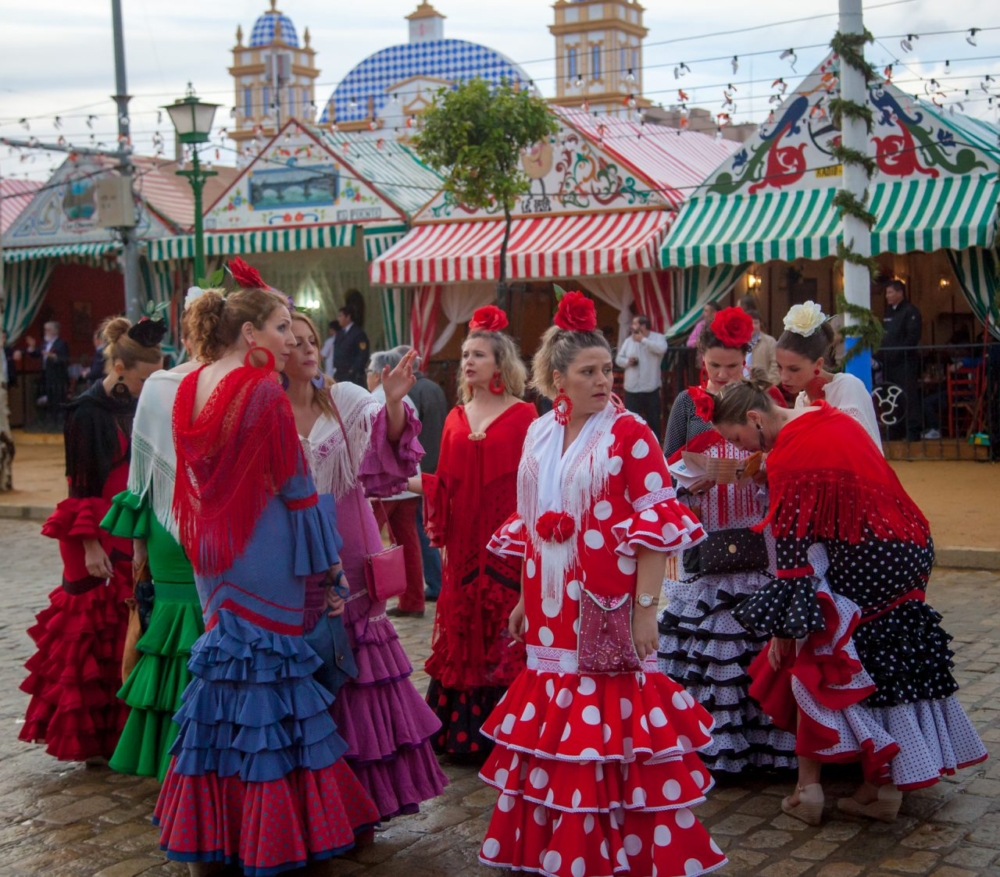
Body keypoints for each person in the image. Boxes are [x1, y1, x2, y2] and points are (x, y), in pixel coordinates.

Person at [478, 291, 725, 877]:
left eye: (606, 370)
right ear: (557, 378)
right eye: (587, 372)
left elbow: (654, 528)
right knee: (557, 722)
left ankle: (621, 847)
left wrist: (646, 610)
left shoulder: (631, 432)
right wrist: (521, 596)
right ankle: (556, 841)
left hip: (606, 602)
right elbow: (533, 522)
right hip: (547, 603)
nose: (601, 380)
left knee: (611, 722)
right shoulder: (539, 434)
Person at [153, 281, 379, 875]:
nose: (290, 339)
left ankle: (216, 828)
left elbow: (193, 481)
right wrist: (329, 565)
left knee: (224, 675)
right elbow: (297, 487)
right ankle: (278, 830)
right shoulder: (261, 389)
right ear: (250, 334)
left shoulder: (188, 386)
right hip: (266, 545)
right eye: (281, 327)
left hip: (213, 552)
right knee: (274, 676)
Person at [711, 379, 986, 825]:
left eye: (736, 439)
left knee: (817, 660)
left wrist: (784, 628)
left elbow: (794, 558)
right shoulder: (830, 416)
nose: (739, 449)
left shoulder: (788, 458)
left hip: (866, 559)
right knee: (891, 662)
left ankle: (810, 790)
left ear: (755, 419)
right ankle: (882, 787)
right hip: (912, 546)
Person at [285, 312, 448, 823]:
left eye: (315, 341)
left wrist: (395, 399)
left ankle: (364, 800)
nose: (311, 350)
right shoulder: (264, 410)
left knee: (359, 675)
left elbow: (391, 442)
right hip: (290, 558)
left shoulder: (348, 398)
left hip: (351, 554)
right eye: (298, 342)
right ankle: (312, 801)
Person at [659, 307, 797, 773]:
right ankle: (713, 741)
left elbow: (782, 455)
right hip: (708, 529)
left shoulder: (763, 399)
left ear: (746, 361)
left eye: (730, 366)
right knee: (712, 634)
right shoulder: (686, 403)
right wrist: (689, 483)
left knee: (756, 637)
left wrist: (759, 472)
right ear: (702, 359)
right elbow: (664, 467)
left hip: (755, 528)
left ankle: (762, 743)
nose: (721, 375)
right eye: (714, 366)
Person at [20, 316, 164, 762]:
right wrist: (89, 544)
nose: (149, 386)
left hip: (129, 524)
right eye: (144, 378)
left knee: (130, 624)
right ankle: (95, 741)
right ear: (120, 367)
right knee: (93, 628)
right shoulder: (84, 411)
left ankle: (125, 734)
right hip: (92, 529)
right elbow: (77, 487)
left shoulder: (141, 405)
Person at [419, 305, 536, 759]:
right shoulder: (453, 417)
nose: (468, 361)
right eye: (466, 353)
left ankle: (512, 725)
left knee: (507, 621)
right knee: (465, 622)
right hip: (465, 542)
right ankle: (465, 733)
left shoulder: (526, 415)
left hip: (509, 540)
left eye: (478, 354)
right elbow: (443, 484)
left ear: (499, 364)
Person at [100, 305, 206, 781]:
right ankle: (177, 764)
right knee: (176, 633)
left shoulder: (241, 378)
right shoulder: (164, 387)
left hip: (218, 519)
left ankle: (207, 760)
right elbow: (142, 473)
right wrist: (140, 542)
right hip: (171, 521)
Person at [366, 348, 426, 619]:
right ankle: (413, 600)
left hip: (385, 484)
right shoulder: (405, 396)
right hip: (408, 480)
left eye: (369, 371)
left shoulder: (377, 397)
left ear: (381, 373)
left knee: (368, 541)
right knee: (408, 541)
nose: (367, 376)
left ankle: (368, 599)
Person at [776, 301, 883, 450]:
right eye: (779, 367)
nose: (784, 377)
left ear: (818, 364)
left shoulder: (847, 387)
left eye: (794, 369)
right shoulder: (801, 401)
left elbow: (854, 448)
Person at [397, 346, 447, 603]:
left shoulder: (413, 391)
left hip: (420, 467)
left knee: (420, 528)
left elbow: (406, 430)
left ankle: (436, 582)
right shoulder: (435, 388)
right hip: (435, 460)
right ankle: (437, 580)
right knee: (427, 527)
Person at [877, 280, 923, 441]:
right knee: (892, 395)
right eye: (887, 293)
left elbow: (912, 337)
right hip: (889, 363)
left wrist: (896, 352)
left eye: (890, 292)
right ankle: (896, 428)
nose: (887, 296)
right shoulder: (888, 313)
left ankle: (913, 430)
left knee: (908, 395)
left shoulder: (911, 312)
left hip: (905, 362)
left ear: (900, 293)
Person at [615, 313, 668, 436]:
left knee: (653, 419)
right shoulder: (628, 341)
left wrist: (643, 340)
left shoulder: (658, 338)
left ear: (643, 325)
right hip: (632, 388)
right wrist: (628, 361)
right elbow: (618, 359)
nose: (632, 326)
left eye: (634, 323)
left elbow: (662, 349)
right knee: (631, 420)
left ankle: (655, 446)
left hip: (650, 388)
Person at [25, 321, 70, 426]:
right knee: (49, 400)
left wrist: (53, 357)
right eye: (45, 329)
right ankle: (50, 422)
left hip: (58, 377)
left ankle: (60, 423)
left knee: (58, 400)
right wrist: (32, 347)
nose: (46, 332)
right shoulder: (45, 344)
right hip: (46, 376)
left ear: (55, 331)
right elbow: (36, 353)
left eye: (48, 329)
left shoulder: (61, 344)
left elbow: (65, 359)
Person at [333, 304, 369, 387]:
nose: (338, 319)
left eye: (340, 316)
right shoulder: (340, 333)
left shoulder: (358, 333)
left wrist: (353, 370)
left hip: (352, 375)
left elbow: (362, 354)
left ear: (348, 317)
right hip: (340, 373)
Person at [745, 309, 780, 385]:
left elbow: (775, 366)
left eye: (756, 323)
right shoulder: (738, 342)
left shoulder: (770, 342)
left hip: (765, 387)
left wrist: (766, 385)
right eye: (750, 323)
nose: (753, 326)